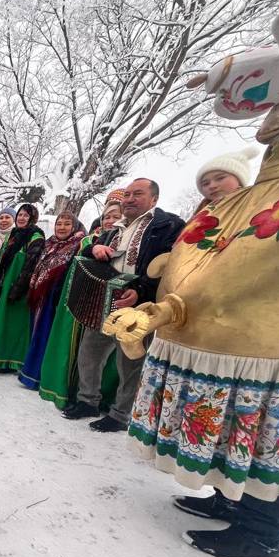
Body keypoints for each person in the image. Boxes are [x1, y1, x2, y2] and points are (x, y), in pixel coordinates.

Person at [104, 9, 279, 557]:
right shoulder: (253, 197)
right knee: (231, 436)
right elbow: (198, 262)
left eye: (218, 177)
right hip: (228, 343)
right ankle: (227, 499)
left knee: (263, 436)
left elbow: (250, 267)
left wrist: (163, 307)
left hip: (270, 355)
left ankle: (262, 533)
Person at [62, 178, 184, 432]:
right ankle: (88, 401)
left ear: (154, 199)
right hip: (105, 300)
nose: (129, 199)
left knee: (129, 361)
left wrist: (141, 291)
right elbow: (89, 259)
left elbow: (170, 268)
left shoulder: (168, 225)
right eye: (127, 194)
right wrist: (95, 248)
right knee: (90, 352)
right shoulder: (113, 230)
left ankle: (120, 414)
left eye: (137, 194)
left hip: (138, 305)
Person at [38, 201, 122, 409]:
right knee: (81, 351)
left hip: (114, 303)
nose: (110, 221)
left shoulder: (126, 241)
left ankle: (105, 402)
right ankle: (76, 395)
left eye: (115, 216)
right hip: (82, 300)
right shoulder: (88, 242)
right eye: (106, 217)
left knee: (109, 356)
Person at [18, 212, 85, 390]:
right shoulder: (49, 243)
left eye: (66, 224)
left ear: (75, 227)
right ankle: (30, 373)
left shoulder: (77, 245)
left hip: (56, 300)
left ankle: (41, 376)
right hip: (40, 298)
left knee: (47, 338)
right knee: (36, 336)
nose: (61, 227)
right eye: (59, 224)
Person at [0, 204, 44, 372]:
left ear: (32, 218)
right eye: (20, 215)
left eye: (26, 215)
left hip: (19, 286)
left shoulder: (35, 236)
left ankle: (11, 361)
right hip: (5, 281)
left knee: (15, 324)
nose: (22, 218)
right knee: (3, 320)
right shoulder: (14, 234)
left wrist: (18, 288)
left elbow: (31, 265)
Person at [192, 147, 259, 214]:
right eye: (206, 183)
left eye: (220, 178)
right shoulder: (200, 213)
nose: (212, 186)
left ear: (239, 179)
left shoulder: (258, 201)